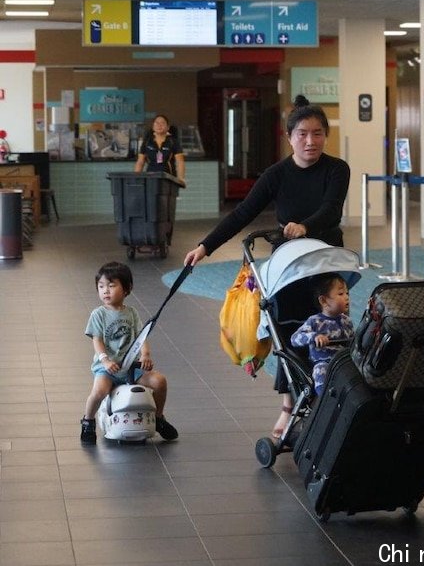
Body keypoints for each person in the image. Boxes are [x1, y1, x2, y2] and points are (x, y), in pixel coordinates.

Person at [184, 94, 350, 439]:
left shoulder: (337, 169)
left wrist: (305, 226)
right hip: (288, 266)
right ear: (289, 137)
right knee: (287, 331)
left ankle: (329, 395)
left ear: (325, 136)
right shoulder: (277, 174)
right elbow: (243, 214)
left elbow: (332, 210)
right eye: (302, 133)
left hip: (324, 263)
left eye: (317, 133)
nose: (310, 141)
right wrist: (205, 246)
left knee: (330, 330)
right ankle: (290, 403)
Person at [81, 262, 178, 444]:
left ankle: (158, 418)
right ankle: (88, 421)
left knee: (159, 382)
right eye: (101, 287)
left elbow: (141, 337)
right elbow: (97, 340)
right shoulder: (98, 314)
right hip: (107, 368)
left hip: (131, 367)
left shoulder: (131, 313)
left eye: (111, 285)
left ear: (127, 289)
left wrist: (145, 355)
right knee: (99, 392)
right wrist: (105, 360)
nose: (105, 291)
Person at [289, 273, 354, 398]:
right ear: (323, 301)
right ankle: (325, 399)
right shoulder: (315, 321)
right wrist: (314, 337)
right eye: (340, 294)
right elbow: (294, 338)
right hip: (324, 362)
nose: (346, 297)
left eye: (347, 293)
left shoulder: (347, 321)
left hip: (343, 361)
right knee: (320, 371)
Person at [135, 114, 186, 181]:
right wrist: (136, 178)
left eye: (162, 123)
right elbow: (140, 161)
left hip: (169, 178)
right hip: (150, 178)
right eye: (157, 123)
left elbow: (180, 162)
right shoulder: (147, 142)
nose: (159, 125)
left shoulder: (173, 142)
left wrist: (181, 178)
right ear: (153, 127)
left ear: (168, 127)